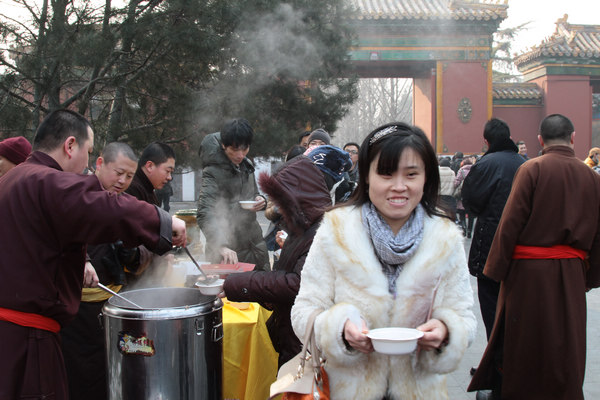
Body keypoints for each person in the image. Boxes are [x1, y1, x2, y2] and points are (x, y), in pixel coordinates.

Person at [0, 109, 186, 400]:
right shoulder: (45, 180)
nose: (87, 162)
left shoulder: (13, 181)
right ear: (70, 145)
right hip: (28, 340)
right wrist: (164, 222)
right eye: (88, 151)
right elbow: (105, 208)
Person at [291, 122, 476, 400]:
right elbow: (304, 310)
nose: (399, 187)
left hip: (420, 391)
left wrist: (447, 330)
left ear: (426, 178)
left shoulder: (445, 238)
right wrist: (340, 330)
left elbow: (464, 316)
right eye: (386, 174)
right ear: (366, 176)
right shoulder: (337, 231)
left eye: (411, 174)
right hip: (347, 390)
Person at [469, 114, 600, 399]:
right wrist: (590, 277)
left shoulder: (533, 169)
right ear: (573, 137)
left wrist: (496, 269)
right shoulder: (591, 176)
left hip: (527, 272)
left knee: (525, 338)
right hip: (571, 271)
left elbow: (510, 222)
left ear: (540, 140)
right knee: (567, 340)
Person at [223, 155, 332, 367]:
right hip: (291, 335)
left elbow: (295, 283)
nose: (277, 207)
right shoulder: (300, 226)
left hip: (303, 342)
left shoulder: (322, 232)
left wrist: (240, 283)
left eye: (280, 199)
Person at [60, 142, 150, 400]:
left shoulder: (126, 203)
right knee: (81, 379)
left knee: (114, 376)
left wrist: (135, 255)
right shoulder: (76, 195)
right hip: (78, 313)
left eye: (130, 176)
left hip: (115, 308)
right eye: (118, 173)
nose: (123, 181)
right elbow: (61, 234)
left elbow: (146, 251)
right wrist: (82, 259)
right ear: (99, 164)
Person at [461, 118, 525, 341]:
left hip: (489, 241)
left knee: (490, 302)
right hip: (522, 244)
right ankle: (514, 361)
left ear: (486, 141)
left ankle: (495, 362)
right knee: (517, 306)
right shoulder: (525, 164)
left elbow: (470, 201)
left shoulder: (485, 164)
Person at [196, 118, 270, 271]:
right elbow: (205, 212)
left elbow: (253, 194)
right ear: (224, 145)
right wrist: (221, 246)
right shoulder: (212, 171)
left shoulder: (246, 166)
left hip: (254, 245)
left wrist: (261, 200)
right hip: (228, 253)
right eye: (235, 149)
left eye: (245, 149)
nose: (240, 154)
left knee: (260, 291)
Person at [126, 141, 175, 206]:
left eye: (171, 172)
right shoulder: (132, 190)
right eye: (167, 171)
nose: (169, 177)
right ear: (150, 166)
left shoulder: (147, 188)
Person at [454, 156, 474, 238]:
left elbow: (456, 182)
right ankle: (469, 231)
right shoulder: (475, 170)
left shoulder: (461, 170)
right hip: (473, 195)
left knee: (462, 214)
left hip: (462, 194)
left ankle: (464, 228)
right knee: (471, 216)